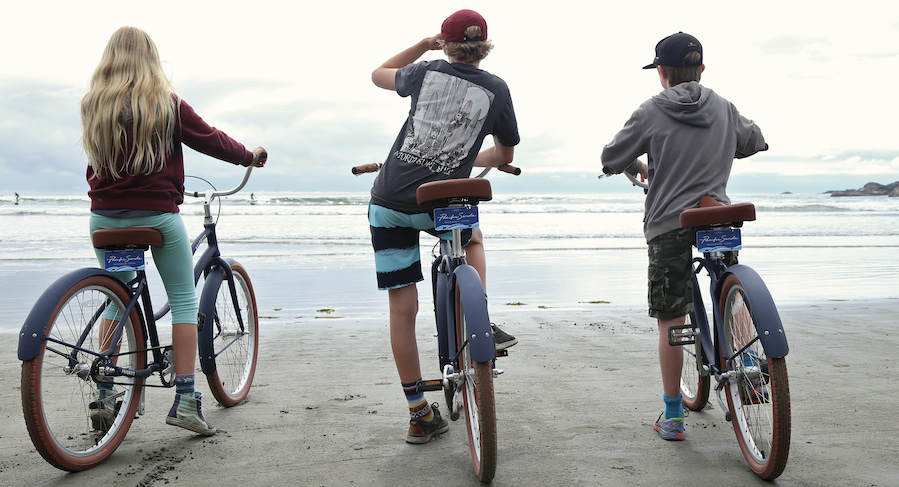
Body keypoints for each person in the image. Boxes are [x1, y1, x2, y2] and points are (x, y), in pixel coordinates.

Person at [81, 26, 267, 436]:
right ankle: (185, 401)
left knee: (118, 299)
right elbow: (210, 139)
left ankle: (108, 393)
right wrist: (247, 157)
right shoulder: (164, 104)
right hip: (157, 219)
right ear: (151, 59)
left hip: (104, 220)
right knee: (184, 301)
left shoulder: (94, 105)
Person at [600, 32, 767, 440]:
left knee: (671, 318)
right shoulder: (724, 106)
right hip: (716, 216)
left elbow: (610, 158)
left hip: (669, 223)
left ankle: (673, 415)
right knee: (730, 288)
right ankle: (749, 369)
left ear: (661, 72)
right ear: (702, 69)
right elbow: (756, 140)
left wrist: (637, 164)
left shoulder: (650, 111)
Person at [368, 9, 520, 444]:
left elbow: (378, 73)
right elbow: (504, 155)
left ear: (446, 43)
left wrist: (422, 43)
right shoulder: (495, 88)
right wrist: (471, 159)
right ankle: (482, 319)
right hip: (444, 201)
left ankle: (418, 411)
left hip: (390, 200)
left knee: (403, 308)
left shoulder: (424, 71)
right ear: (484, 46)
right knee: (471, 237)